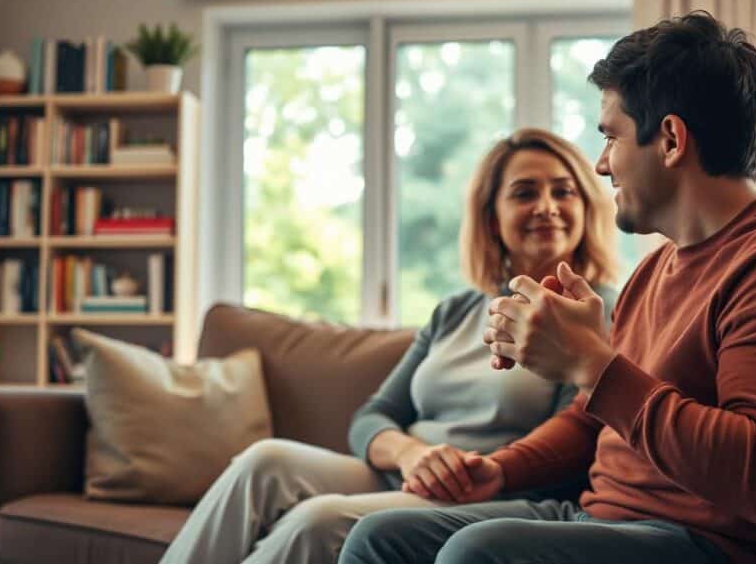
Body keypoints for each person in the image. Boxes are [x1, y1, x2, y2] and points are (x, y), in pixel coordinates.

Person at [338, 11, 756, 564]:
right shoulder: (658, 265)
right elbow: (590, 419)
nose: (601, 165)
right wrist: (501, 470)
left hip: (711, 546)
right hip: (603, 518)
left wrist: (592, 365)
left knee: (479, 552)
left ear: (670, 139)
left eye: (611, 137)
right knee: (380, 537)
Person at [158, 127, 620, 564]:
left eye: (564, 191)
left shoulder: (599, 309)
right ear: (491, 219)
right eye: (524, 192)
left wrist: (459, 471)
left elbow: (575, 437)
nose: (547, 206)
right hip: (405, 469)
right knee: (265, 460)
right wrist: (411, 454)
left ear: (586, 207)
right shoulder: (455, 311)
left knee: (317, 520)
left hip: (487, 489)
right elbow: (372, 417)